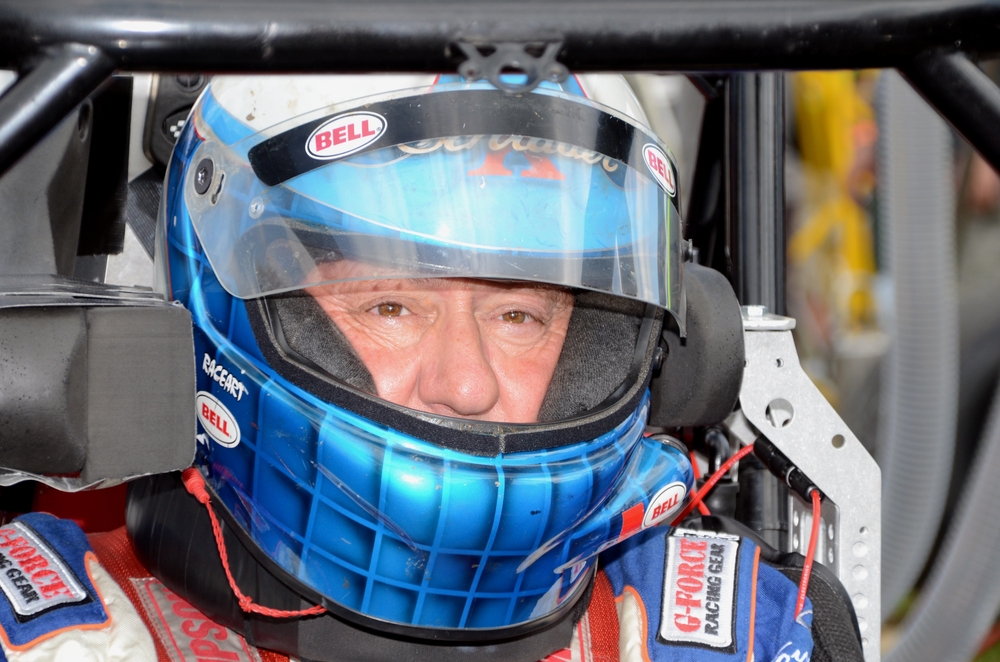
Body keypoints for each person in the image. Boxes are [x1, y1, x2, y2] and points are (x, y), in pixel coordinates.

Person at [0, 74, 819, 662]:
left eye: (520, 316)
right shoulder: (51, 636)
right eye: (389, 307)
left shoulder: (741, 636)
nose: (465, 384)